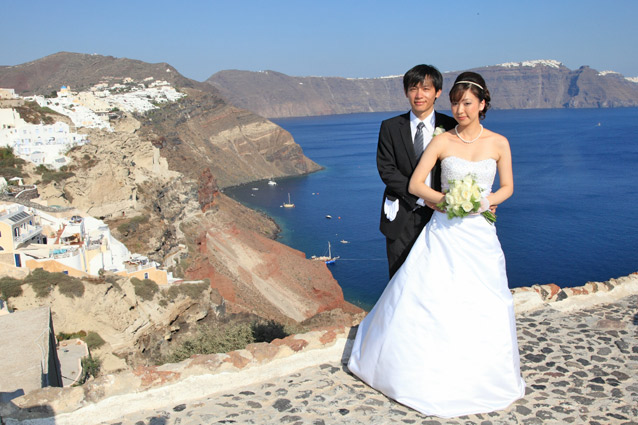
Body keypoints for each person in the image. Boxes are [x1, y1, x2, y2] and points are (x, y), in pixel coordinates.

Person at [348, 71, 525, 418]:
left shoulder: (499, 142)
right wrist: (445, 202)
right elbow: (413, 181)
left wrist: (484, 202)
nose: (459, 109)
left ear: (482, 104)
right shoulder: (442, 141)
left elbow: (508, 188)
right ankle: (418, 368)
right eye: (456, 103)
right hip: (444, 229)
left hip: (480, 236)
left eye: (466, 103)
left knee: (481, 300)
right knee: (431, 297)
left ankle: (480, 371)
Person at [377, 64, 457, 278]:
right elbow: (387, 170)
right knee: (399, 277)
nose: (419, 95)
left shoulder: (451, 127)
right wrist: (422, 197)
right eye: (413, 89)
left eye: (426, 89)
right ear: (406, 92)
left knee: (437, 276)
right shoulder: (391, 127)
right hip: (401, 214)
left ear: (437, 92)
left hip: (441, 215)